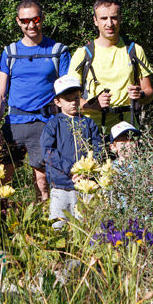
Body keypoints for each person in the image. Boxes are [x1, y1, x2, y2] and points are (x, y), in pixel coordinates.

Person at [0, 0, 70, 201]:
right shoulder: (10, 53)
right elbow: (0, 92)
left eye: (35, 19)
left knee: (42, 181)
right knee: (1, 179)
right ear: (18, 22)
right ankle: (1, 226)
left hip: (45, 124)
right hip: (14, 123)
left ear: (42, 19)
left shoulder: (58, 51)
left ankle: (44, 225)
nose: (31, 25)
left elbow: (66, 92)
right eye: (25, 21)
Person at [69, 0, 153, 132]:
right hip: (92, 129)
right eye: (103, 18)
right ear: (95, 21)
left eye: (114, 18)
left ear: (120, 19)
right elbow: (69, 99)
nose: (109, 24)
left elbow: (149, 92)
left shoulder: (134, 50)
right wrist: (93, 105)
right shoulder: (83, 54)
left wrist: (141, 95)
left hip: (127, 128)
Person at [41, 74, 103, 229]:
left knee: (86, 225)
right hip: (61, 184)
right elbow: (48, 152)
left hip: (86, 184)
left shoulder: (88, 123)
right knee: (59, 224)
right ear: (58, 102)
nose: (73, 103)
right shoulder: (53, 124)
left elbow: (98, 148)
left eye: (76, 98)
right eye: (68, 99)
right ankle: (59, 253)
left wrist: (85, 171)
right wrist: (70, 169)